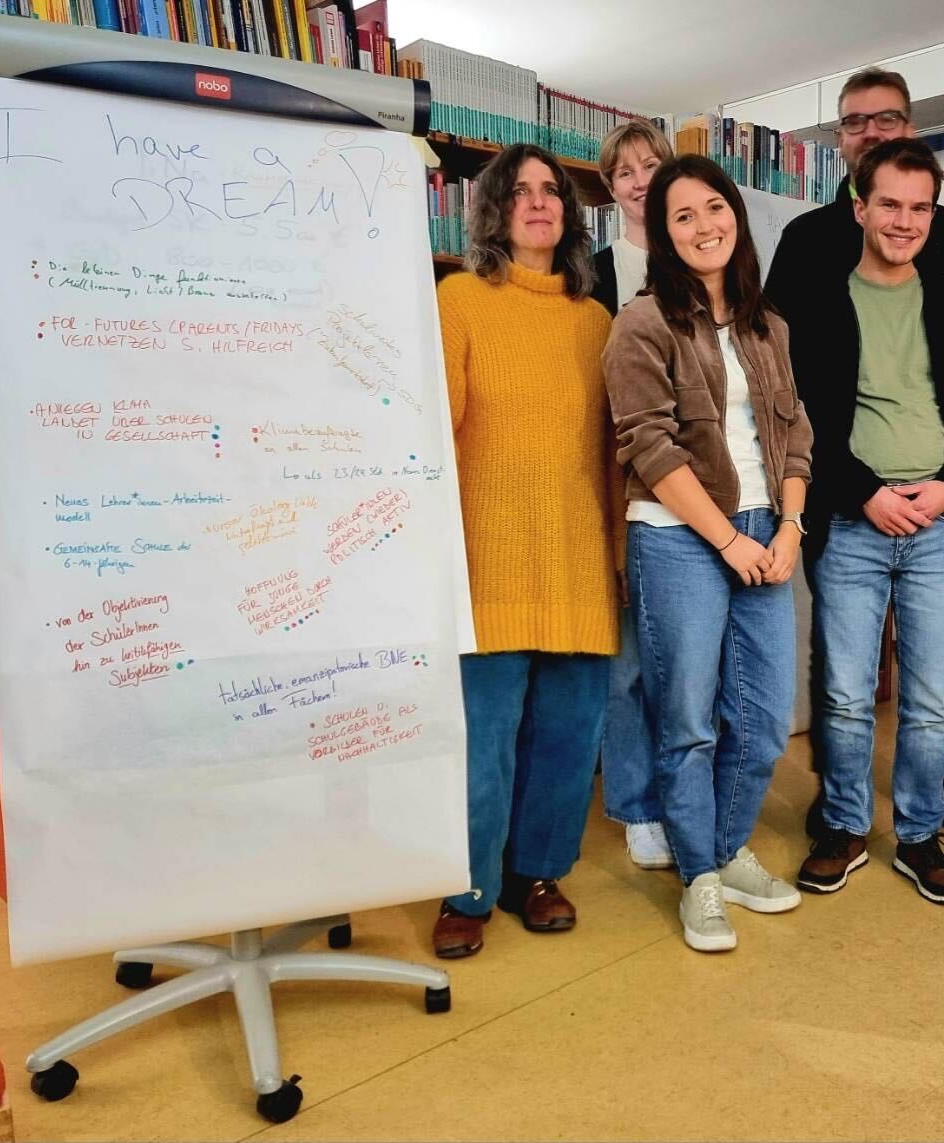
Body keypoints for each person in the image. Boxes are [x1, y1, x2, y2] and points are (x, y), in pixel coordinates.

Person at [765, 66, 944, 845]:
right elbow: (791, 385)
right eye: (856, 122)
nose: (871, 131)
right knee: (842, 676)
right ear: (844, 152)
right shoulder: (809, 243)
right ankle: (839, 810)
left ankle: (935, 800)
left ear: (910, 130)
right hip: (846, 500)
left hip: (937, 501)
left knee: (935, 681)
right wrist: (852, 488)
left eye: (887, 119)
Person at [603, 154, 813, 952]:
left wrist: (789, 528)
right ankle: (700, 874)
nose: (703, 226)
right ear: (662, 232)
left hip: (767, 531)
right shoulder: (643, 321)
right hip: (680, 538)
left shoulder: (769, 325)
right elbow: (647, 447)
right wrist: (727, 538)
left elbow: (795, 435)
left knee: (761, 719)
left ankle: (723, 851)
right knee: (688, 720)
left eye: (713, 207)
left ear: (736, 214)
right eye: (682, 215)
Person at [431, 144, 622, 959]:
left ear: (571, 214)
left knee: (569, 738)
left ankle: (537, 874)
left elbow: (617, 454)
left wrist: (618, 557)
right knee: (483, 741)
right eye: (520, 191)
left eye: (552, 191)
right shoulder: (461, 300)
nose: (539, 203)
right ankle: (468, 887)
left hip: (580, 563)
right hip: (488, 565)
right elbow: (435, 437)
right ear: (493, 211)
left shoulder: (597, 321)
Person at [590, 119, 678, 871]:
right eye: (626, 171)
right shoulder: (592, 272)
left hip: (695, 491)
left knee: (686, 662)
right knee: (626, 664)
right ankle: (635, 805)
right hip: (620, 489)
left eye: (652, 166)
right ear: (608, 185)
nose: (640, 179)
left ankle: (683, 795)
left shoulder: (700, 256)